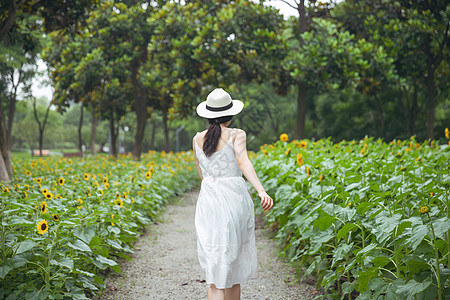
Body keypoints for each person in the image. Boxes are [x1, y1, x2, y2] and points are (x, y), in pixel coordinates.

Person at [193, 88, 274, 300]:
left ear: (209, 114)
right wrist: (261, 190)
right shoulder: (237, 134)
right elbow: (243, 161)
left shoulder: (197, 139)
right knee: (233, 263)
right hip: (233, 198)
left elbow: (202, 174)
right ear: (230, 114)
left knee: (215, 265)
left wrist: (214, 186)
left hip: (209, 200)